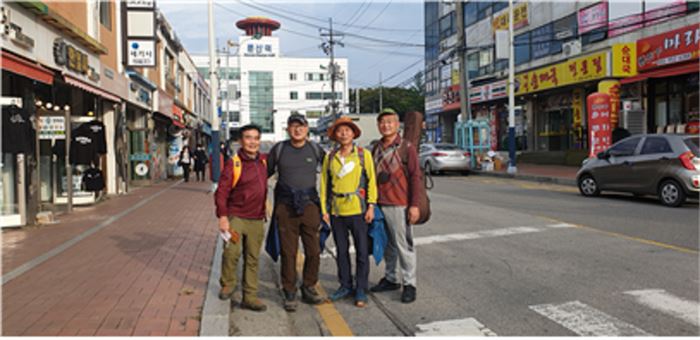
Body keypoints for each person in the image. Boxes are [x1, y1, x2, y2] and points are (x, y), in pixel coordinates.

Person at [267, 113, 326, 312]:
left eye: (301, 126)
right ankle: (289, 290)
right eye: (293, 126)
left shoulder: (316, 149)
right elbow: (263, 175)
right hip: (285, 207)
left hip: (310, 205)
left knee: (314, 251)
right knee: (288, 252)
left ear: (307, 128)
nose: (297, 129)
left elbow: (331, 175)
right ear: (288, 129)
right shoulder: (279, 149)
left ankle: (309, 286)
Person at [320, 116, 377, 308]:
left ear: (353, 133)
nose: (344, 133)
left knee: (362, 251)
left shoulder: (363, 155)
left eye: (348, 130)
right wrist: (324, 210)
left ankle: (361, 288)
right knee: (341, 251)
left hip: (359, 210)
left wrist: (371, 205)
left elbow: (372, 181)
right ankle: (345, 285)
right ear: (335, 135)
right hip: (337, 211)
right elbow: (324, 184)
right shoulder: (330, 157)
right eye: (340, 130)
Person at [369, 108, 422, 304]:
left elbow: (416, 177)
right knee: (387, 245)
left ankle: (409, 283)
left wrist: (414, 205)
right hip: (379, 203)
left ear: (397, 124)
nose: (386, 125)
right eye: (382, 122)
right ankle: (391, 278)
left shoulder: (406, 147)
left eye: (390, 122)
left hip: (400, 203)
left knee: (403, 245)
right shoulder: (375, 148)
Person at [214, 124, 268, 312]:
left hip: (257, 219)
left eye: (256, 138)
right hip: (236, 217)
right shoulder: (234, 163)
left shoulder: (263, 161)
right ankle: (228, 283)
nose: (252, 142)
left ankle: (250, 296)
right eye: (248, 138)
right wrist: (222, 217)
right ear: (241, 141)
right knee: (232, 253)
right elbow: (221, 192)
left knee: (252, 258)